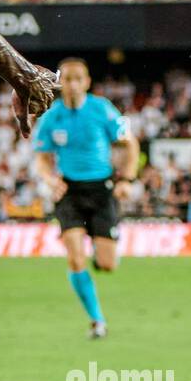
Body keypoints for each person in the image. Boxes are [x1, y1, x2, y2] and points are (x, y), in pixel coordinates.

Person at [33, 58, 139, 337]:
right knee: (75, 258)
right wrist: (49, 179)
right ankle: (97, 320)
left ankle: (100, 249)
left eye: (77, 78)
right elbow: (42, 157)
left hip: (101, 190)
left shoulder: (102, 109)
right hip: (69, 191)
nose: (72, 84)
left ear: (87, 82)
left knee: (107, 264)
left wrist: (127, 179)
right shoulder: (52, 117)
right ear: (60, 84)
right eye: (66, 79)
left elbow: (130, 143)